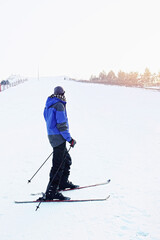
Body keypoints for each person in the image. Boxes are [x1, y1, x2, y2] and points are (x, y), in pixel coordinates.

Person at [42, 86, 78, 200]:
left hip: (52, 136)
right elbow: (62, 125)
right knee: (58, 165)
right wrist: (69, 139)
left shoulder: (49, 104)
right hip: (59, 137)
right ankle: (52, 192)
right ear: (62, 94)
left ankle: (63, 183)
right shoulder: (59, 105)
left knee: (66, 160)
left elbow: (47, 119)